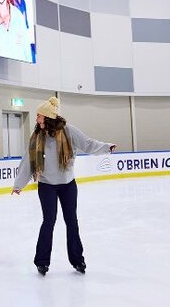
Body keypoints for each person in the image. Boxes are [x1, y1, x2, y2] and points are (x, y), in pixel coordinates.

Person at [12, 97, 116, 276]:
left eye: (39, 116)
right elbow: (28, 161)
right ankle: (42, 262)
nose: (36, 119)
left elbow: (87, 144)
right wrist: (19, 184)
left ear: (48, 117)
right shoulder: (37, 137)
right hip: (47, 185)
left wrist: (106, 147)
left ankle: (77, 260)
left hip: (68, 185)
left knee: (71, 221)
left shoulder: (68, 131)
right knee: (49, 221)